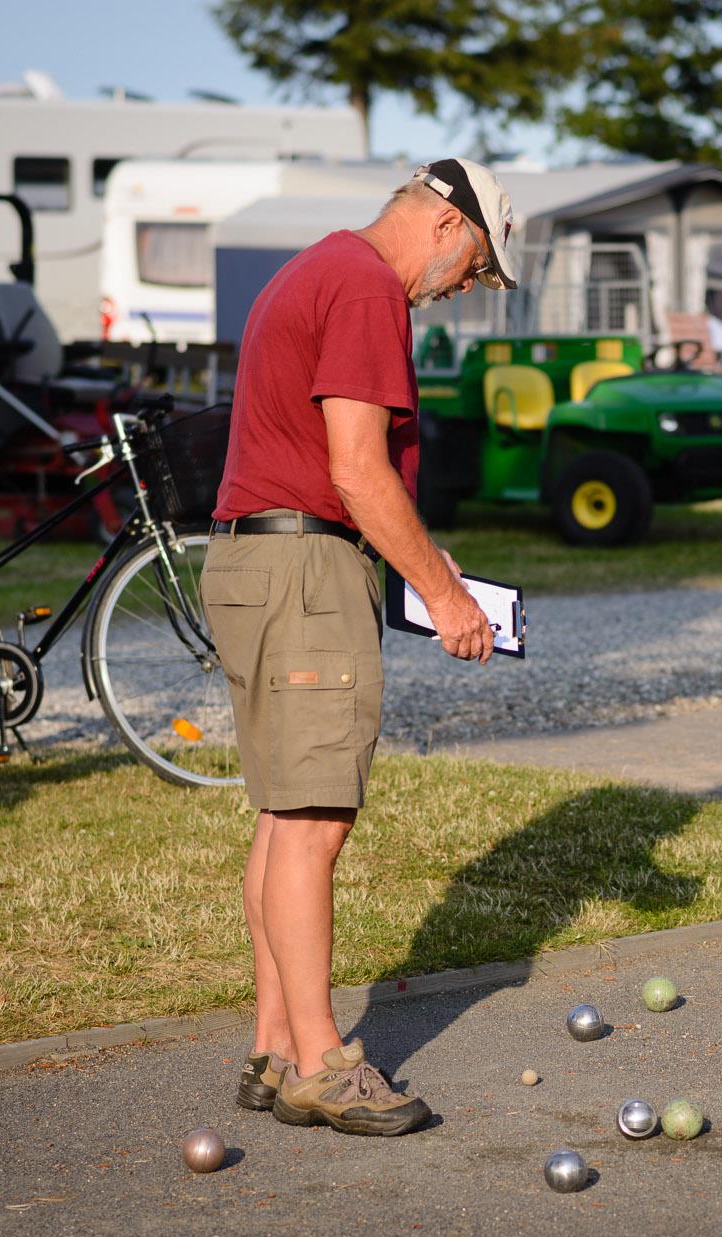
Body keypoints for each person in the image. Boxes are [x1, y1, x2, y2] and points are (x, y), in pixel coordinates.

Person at [200, 158, 518, 1137]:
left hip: (256, 559)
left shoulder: (318, 267)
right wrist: (445, 597)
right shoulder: (367, 285)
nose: (466, 287)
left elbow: (332, 468)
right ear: (447, 225)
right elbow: (355, 468)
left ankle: (273, 1046)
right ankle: (321, 1063)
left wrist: (424, 557)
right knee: (313, 823)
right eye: (476, 266)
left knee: (283, 816)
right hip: (304, 572)